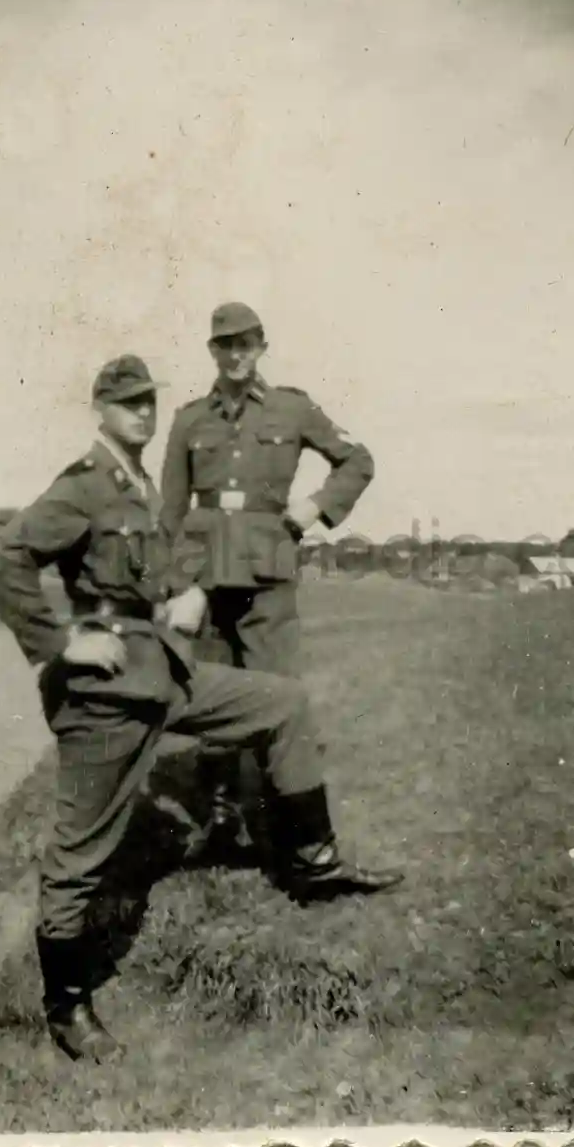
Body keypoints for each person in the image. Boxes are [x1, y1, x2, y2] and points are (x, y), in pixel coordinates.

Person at [0, 354, 396, 1064]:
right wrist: (58, 646)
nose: (141, 413)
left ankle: (314, 862)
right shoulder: (81, 486)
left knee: (282, 701)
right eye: (125, 403)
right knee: (79, 856)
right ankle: (66, 1010)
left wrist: (180, 594)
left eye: (147, 402)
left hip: (160, 671)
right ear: (100, 410)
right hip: (104, 698)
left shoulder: (135, 484)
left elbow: (140, 576)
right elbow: (1, 562)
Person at [160, 302, 374, 832]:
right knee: (213, 692)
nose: (236, 354)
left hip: (266, 574)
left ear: (262, 347)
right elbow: (170, 510)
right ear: (211, 350)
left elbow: (358, 460)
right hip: (205, 576)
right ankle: (221, 821)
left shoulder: (291, 408)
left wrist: (312, 509)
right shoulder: (189, 419)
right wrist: (173, 586)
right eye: (225, 344)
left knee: (278, 692)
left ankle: (289, 826)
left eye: (246, 343)